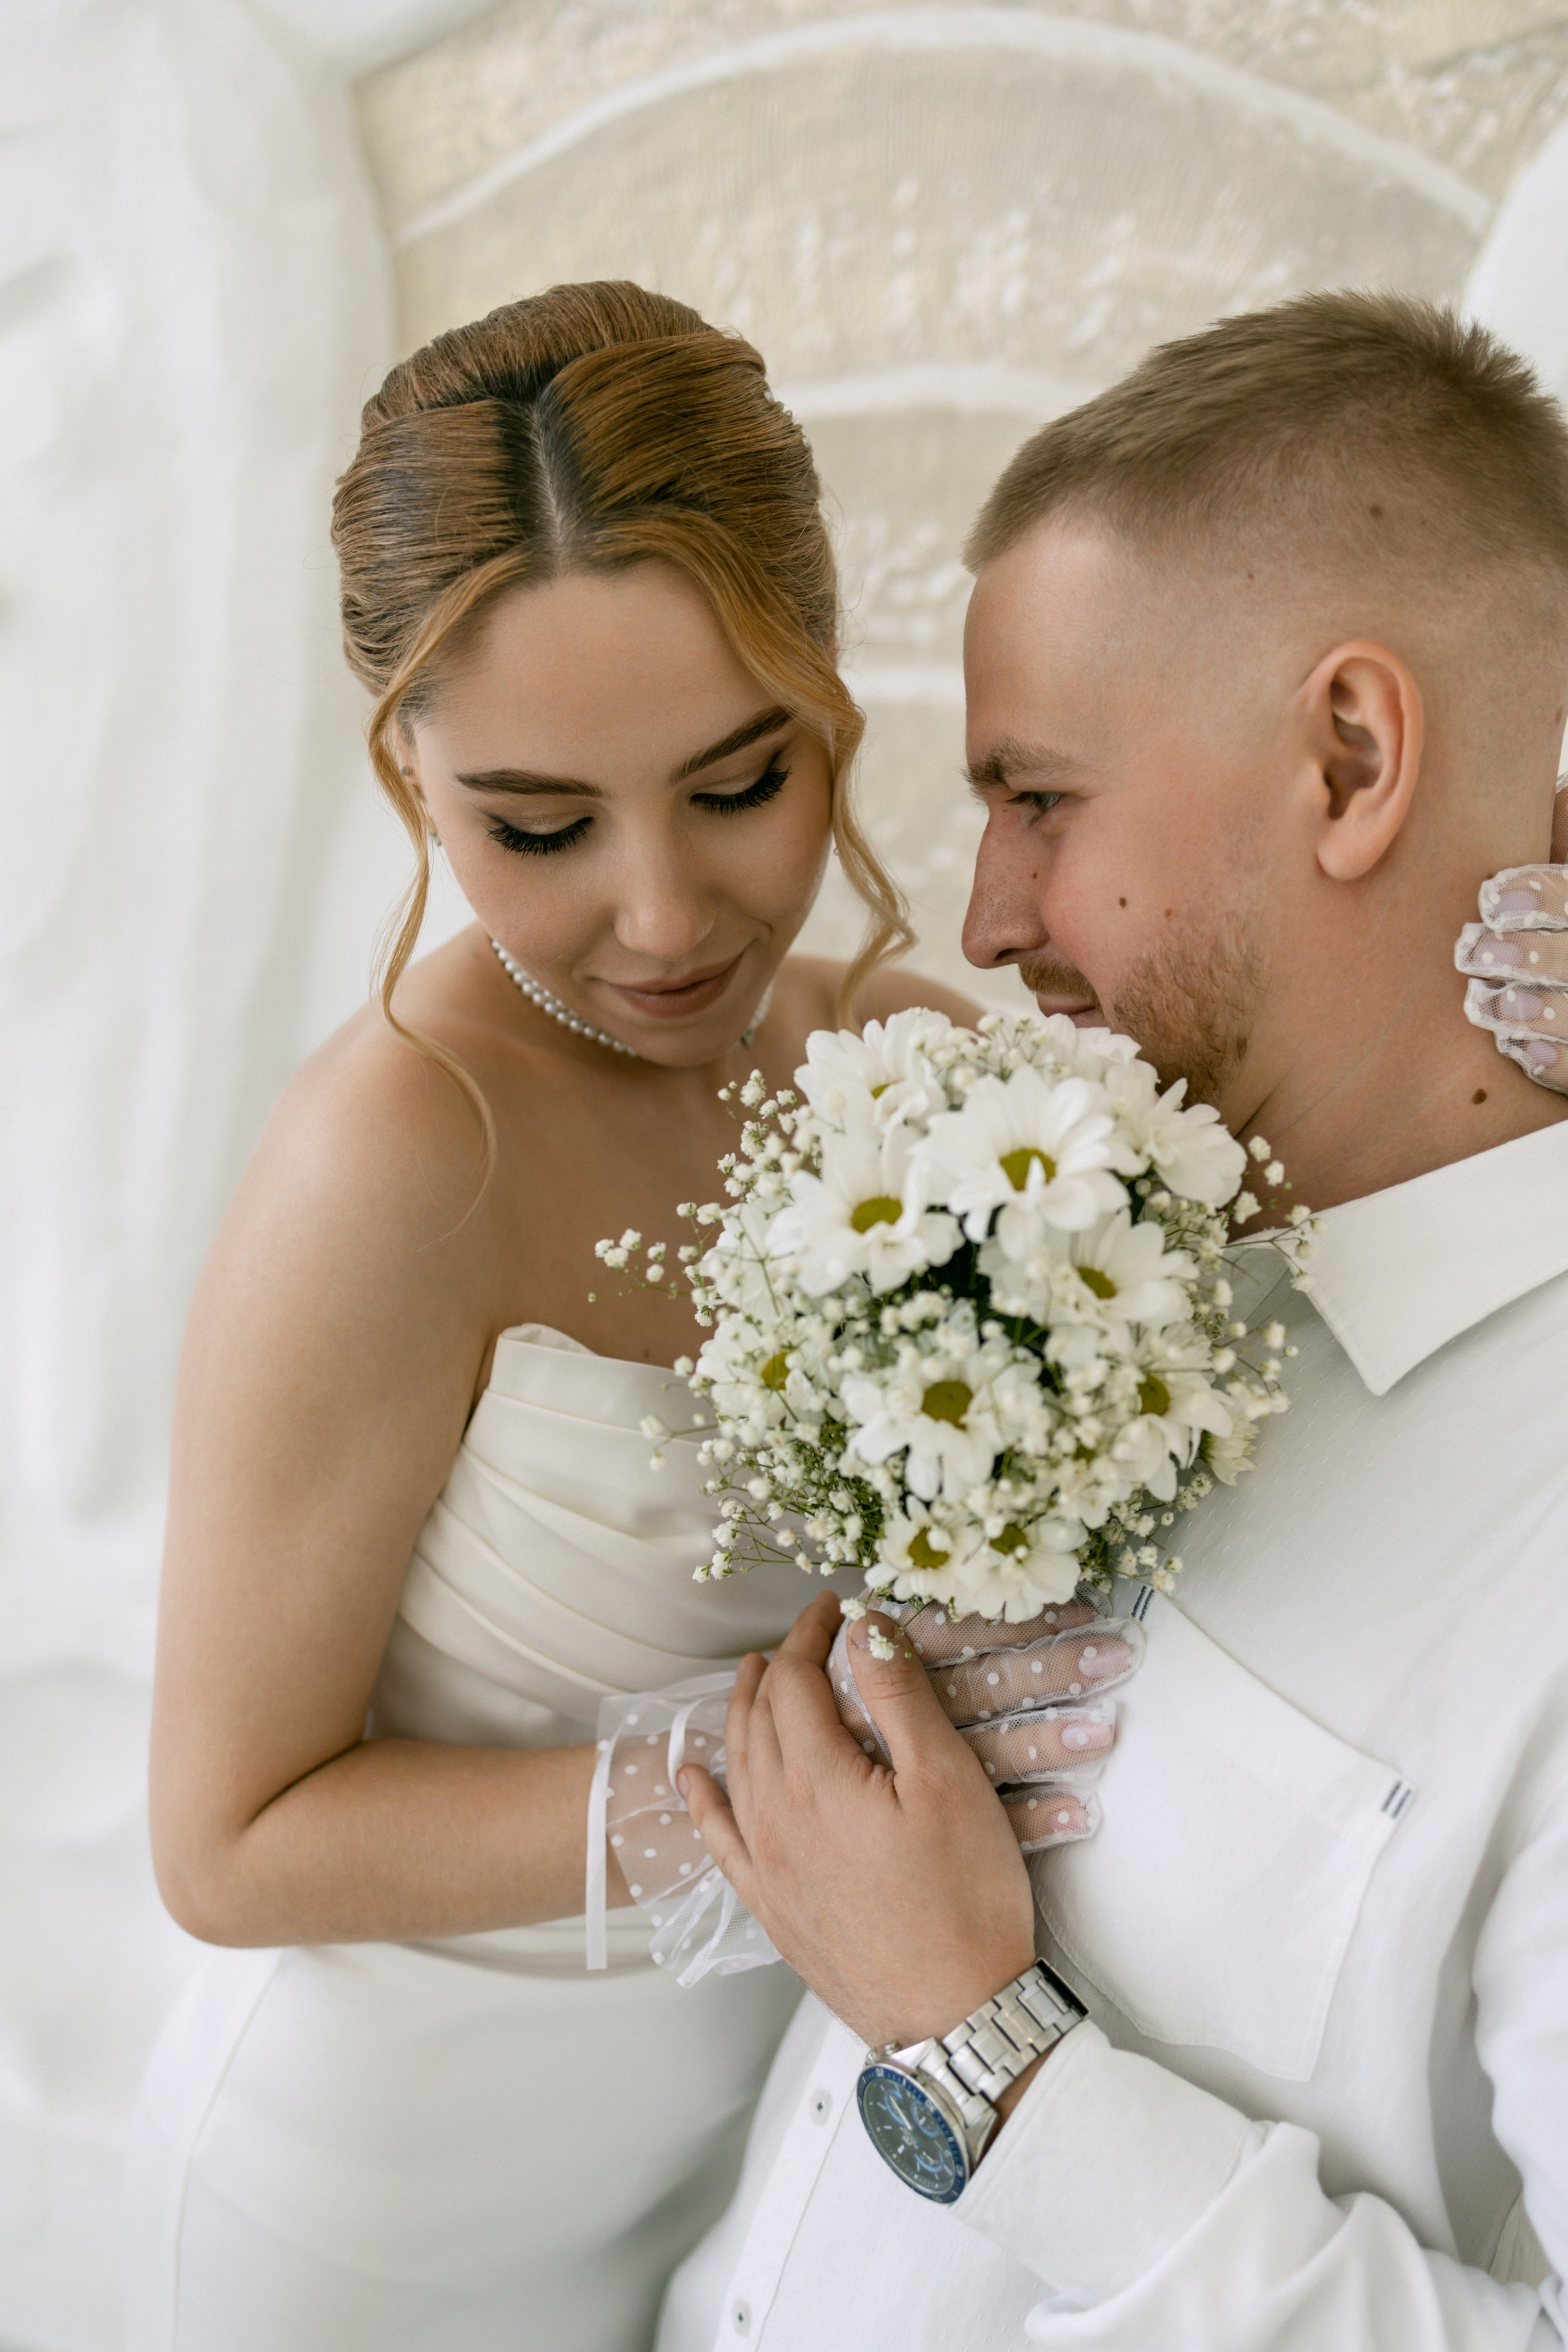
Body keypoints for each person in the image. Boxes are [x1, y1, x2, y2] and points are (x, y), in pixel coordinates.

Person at [121, 281, 1118, 2352]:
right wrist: (760, 1804)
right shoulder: (400, 1156)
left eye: (740, 784)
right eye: (540, 827)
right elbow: (224, 1843)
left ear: (833, 692)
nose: (663, 919)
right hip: (385, 2207)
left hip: (765, 2157)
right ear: (408, 769)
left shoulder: (916, 1074)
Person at [658, 293, 1568, 2350]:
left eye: (1039, 798)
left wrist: (981, 2048)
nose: (981, 919)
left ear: (1350, 757)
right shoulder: (1068, 1254)